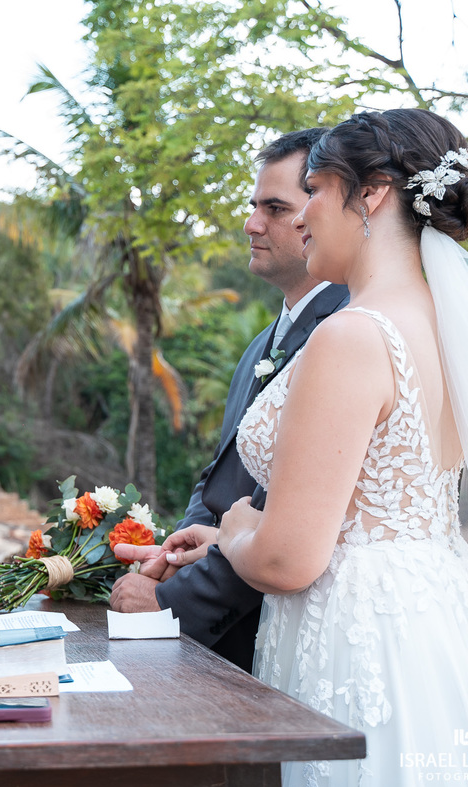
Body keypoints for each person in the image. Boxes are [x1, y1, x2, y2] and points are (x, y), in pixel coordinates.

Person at [146, 109, 468, 787]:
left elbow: (287, 560)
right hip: (440, 618)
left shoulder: (353, 335)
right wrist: (224, 536)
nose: (302, 216)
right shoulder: (443, 323)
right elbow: (369, 509)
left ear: (374, 193)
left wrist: (240, 530)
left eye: (318, 190)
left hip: (367, 644)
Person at [110, 128, 349, 671]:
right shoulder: (259, 347)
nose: (251, 223)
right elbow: (220, 479)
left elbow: (288, 517)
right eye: (252, 205)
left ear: (319, 207)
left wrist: (173, 604)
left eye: (274, 206)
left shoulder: (345, 334)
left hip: (281, 634)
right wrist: (171, 557)